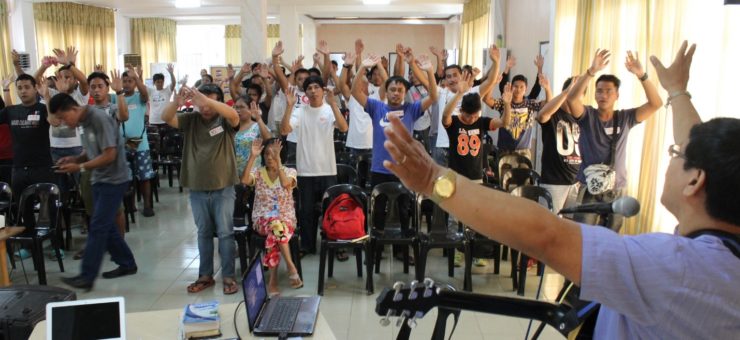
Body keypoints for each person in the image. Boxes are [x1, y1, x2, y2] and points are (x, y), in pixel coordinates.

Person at [380, 41, 739, 339]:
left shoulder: (674, 269)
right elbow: (702, 150)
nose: (672, 154)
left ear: (696, 181)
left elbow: (545, 234)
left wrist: (434, 182)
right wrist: (677, 91)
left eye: (677, 153)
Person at [352, 50, 438, 262]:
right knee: (378, 211)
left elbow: (434, 97)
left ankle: (402, 250)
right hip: (380, 169)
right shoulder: (376, 107)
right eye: (392, 89)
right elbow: (354, 92)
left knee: (404, 210)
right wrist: (362, 67)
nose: (396, 93)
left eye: (400, 90)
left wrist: (429, 72)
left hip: (405, 170)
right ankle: (377, 251)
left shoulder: (412, 109)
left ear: (404, 93)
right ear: (386, 90)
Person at [566, 49, 662, 229]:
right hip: (589, 188)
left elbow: (656, 103)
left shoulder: (625, 118)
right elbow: (572, 100)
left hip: (616, 189)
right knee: (584, 235)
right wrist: (591, 71)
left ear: (617, 95)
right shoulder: (588, 116)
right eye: (599, 91)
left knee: (611, 237)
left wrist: (642, 75)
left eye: (608, 91)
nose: (603, 95)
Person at [51, 93, 138, 291]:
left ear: (73, 109)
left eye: (64, 118)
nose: (64, 123)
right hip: (99, 179)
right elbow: (92, 151)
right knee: (106, 227)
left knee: (98, 226)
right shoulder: (84, 122)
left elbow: (110, 154)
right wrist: (74, 159)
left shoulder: (98, 119)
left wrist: (80, 168)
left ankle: (86, 276)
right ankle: (127, 264)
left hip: (114, 180)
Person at [162, 84, 241, 295]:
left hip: (223, 186)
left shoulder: (224, 119)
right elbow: (166, 117)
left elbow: (234, 115)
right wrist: (176, 103)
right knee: (203, 232)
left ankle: (228, 276)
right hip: (197, 186)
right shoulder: (191, 120)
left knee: (225, 233)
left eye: (210, 102)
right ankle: (205, 275)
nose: (205, 107)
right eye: (201, 102)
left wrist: (208, 101)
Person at [280, 75, 348, 256]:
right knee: (306, 211)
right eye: (309, 88)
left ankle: (334, 244)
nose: (313, 90)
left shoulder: (329, 109)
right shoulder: (300, 111)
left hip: (327, 169)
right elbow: (284, 130)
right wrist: (288, 106)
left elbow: (343, 128)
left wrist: (334, 104)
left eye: (316, 87)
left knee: (331, 210)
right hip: (305, 170)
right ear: (306, 92)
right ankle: (307, 245)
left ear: (322, 90)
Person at [241, 138, 302, 295]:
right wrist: (253, 156)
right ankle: (290, 265)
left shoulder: (290, 172)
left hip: (286, 219)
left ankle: (273, 281)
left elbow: (286, 185)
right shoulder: (258, 173)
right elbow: (244, 180)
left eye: (273, 154)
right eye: (267, 154)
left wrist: (279, 162)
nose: (269, 157)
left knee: (276, 228)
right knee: (275, 226)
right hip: (262, 219)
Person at [0, 75, 55, 226]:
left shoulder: (42, 108)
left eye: (27, 87)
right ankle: (29, 243)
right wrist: (5, 88)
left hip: (42, 167)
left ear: (35, 88)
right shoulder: (11, 111)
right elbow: (6, 110)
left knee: (50, 207)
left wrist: (47, 97)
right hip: (18, 168)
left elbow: (54, 121)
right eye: (19, 88)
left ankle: (57, 244)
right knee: (24, 209)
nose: (23, 91)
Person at [536, 77, 583, 213]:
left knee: (573, 226)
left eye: (578, 95)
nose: (574, 101)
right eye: (571, 95)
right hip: (554, 182)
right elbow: (542, 115)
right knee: (549, 226)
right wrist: (565, 93)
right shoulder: (554, 113)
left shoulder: (582, 116)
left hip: (576, 182)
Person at [484, 72, 552, 160]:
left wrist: (547, 89)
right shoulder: (504, 102)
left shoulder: (530, 103)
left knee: (524, 174)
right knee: (504, 174)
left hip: (524, 151)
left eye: (521, 87)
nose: (518, 90)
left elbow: (548, 104)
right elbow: (487, 99)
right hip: (504, 150)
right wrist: (493, 83)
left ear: (526, 89)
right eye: (515, 86)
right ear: (511, 87)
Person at [118, 66, 155, 217]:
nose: (127, 84)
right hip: (122, 144)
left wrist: (138, 77)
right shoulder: (117, 98)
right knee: (127, 177)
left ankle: (147, 205)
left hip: (141, 144)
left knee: (144, 176)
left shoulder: (140, 97)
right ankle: (130, 205)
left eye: (130, 81)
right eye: (124, 81)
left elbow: (145, 94)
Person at [233, 96, 271, 175]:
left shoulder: (257, 126)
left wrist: (258, 118)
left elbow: (269, 140)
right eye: (236, 107)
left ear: (250, 109)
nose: (238, 110)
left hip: (253, 174)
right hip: (233, 175)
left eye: (242, 107)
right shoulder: (230, 127)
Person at [148, 63, 176, 136]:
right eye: (158, 82)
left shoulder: (167, 90)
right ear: (154, 83)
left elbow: (173, 83)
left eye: (161, 82)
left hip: (165, 120)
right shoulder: (151, 91)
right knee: (155, 143)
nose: (160, 84)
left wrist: (171, 73)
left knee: (166, 143)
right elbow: (141, 87)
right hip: (153, 121)